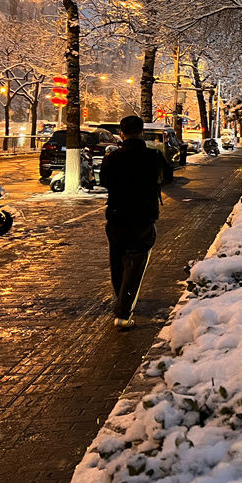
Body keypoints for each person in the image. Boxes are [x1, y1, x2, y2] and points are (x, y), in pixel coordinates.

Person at [99, 115, 173, 330]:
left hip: (116, 215)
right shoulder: (153, 156)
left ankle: (121, 300)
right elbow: (167, 178)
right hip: (143, 215)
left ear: (121, 133)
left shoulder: (113, 157)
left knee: (118, 261)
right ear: (142, 132)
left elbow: (103, 181)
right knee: (136, 263)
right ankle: (123, 311)